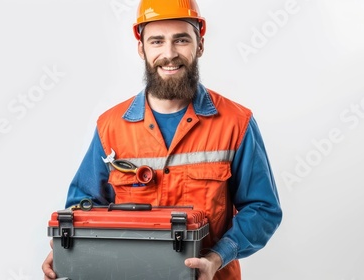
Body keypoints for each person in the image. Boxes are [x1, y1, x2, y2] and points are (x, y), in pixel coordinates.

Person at [42, 0, 282, 279]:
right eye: (157, 41)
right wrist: (68, 247)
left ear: (200, 45)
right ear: (141, 48)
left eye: (181, 39)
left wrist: (218, 257)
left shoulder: (235, 123)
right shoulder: (110, 127)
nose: (169, 54)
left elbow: (263, 209)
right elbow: (83, 207)